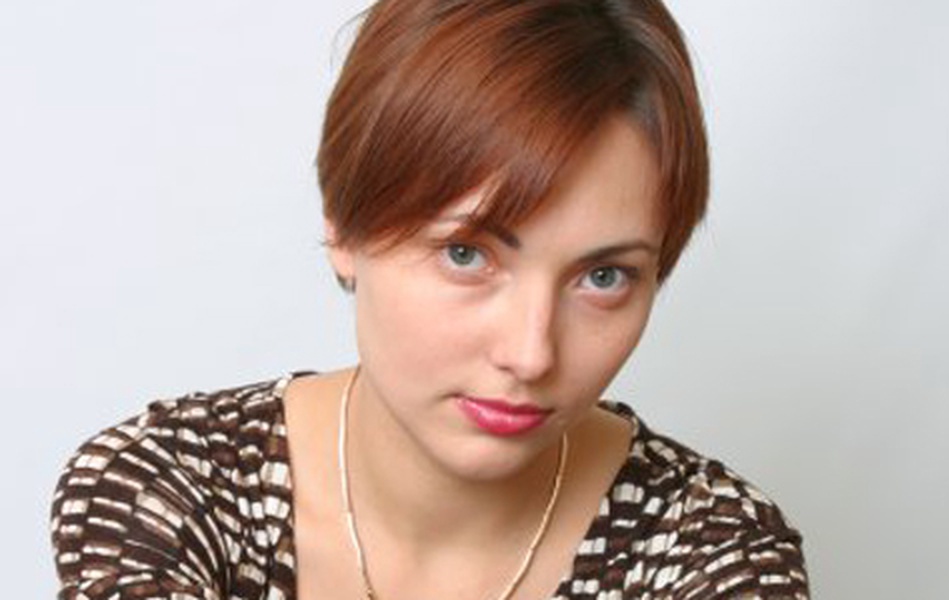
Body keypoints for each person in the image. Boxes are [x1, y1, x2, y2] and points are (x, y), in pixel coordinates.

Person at [50, 0, 809, 598]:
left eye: (603, 276)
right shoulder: (169, 492)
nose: (530, 354)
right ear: (344, 224)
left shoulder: (713, 552)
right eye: (466, 254)